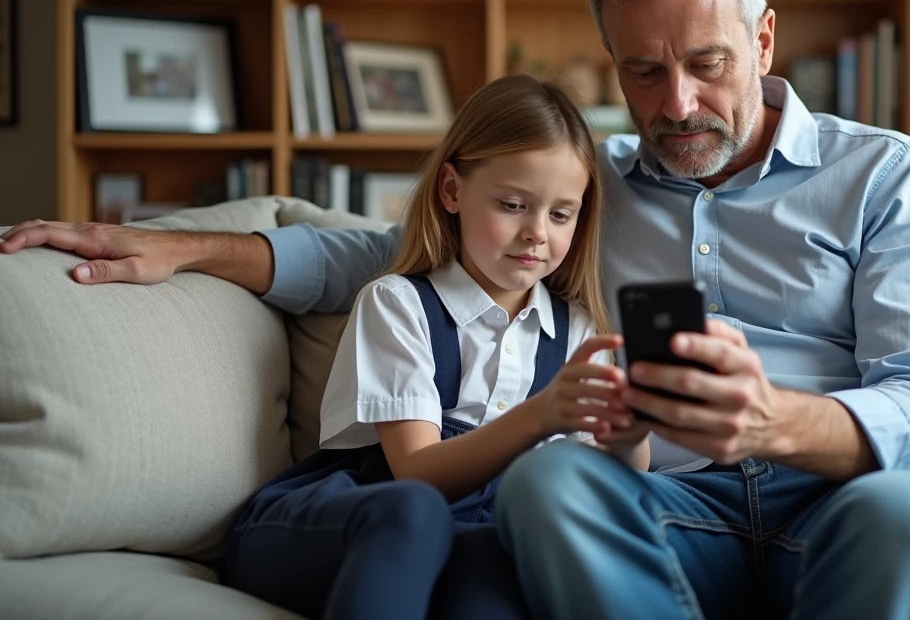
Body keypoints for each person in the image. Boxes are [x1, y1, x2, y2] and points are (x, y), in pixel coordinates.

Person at [2, 0, 910, 619]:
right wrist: (183, 246)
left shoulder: (886, 174)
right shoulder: (585, 188)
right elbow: (391, 254)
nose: (677, 103)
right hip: (666, 506)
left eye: (706, 63)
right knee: (548, 485)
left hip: (845, 499)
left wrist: (776, 419)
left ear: (764, 40)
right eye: (644, 71)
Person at [221, 74, 645, 620]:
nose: (538, 232)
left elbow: (611, 481)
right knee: (416, 513)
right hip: (340, 525)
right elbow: (418, 473)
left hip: (469, 535)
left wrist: (631, 433)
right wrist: (541, 416)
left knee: (499, 567)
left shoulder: (578, 331)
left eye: (560, 214)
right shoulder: (397, 304)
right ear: (451, 190)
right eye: (513, 204)